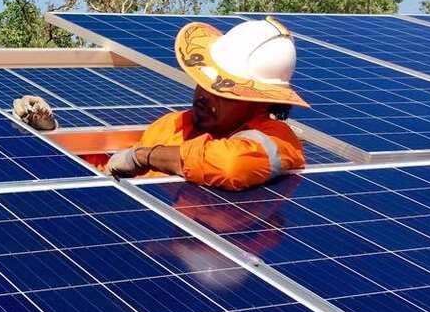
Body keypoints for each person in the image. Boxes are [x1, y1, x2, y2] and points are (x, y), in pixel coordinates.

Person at [104, 17, 308, 190]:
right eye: (203, 83)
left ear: (260, 104)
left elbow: (231, 165)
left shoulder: (278, 139)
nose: (204, 96)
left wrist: (144, 157)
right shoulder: (171, 125)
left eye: (222, 93)